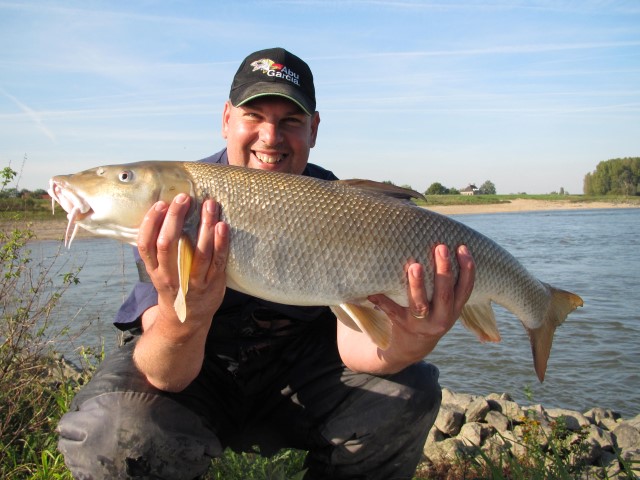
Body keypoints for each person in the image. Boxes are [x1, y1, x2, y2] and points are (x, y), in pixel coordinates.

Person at [57, 47, 475, 479]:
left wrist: (413, 340)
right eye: (253, 116)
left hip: (300, 381)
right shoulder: (178, 204)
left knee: (413, 389)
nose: (270, 137)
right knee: (111, 431)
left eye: (290, 121)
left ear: (313, 129)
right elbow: (167, 375)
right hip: (198, 370)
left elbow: (357, 348)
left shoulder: (344, 206)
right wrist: (186, 317)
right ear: (226, 119)